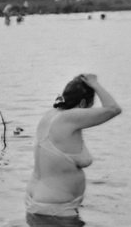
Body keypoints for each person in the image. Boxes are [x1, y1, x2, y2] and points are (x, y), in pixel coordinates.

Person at [26, 74, 122, 217]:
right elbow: (113, 109)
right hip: (55, 208)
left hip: (40, 202)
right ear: (83, 104)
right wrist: (95, 84)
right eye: (90, 107)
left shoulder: (51, 116)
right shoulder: (69, 118)